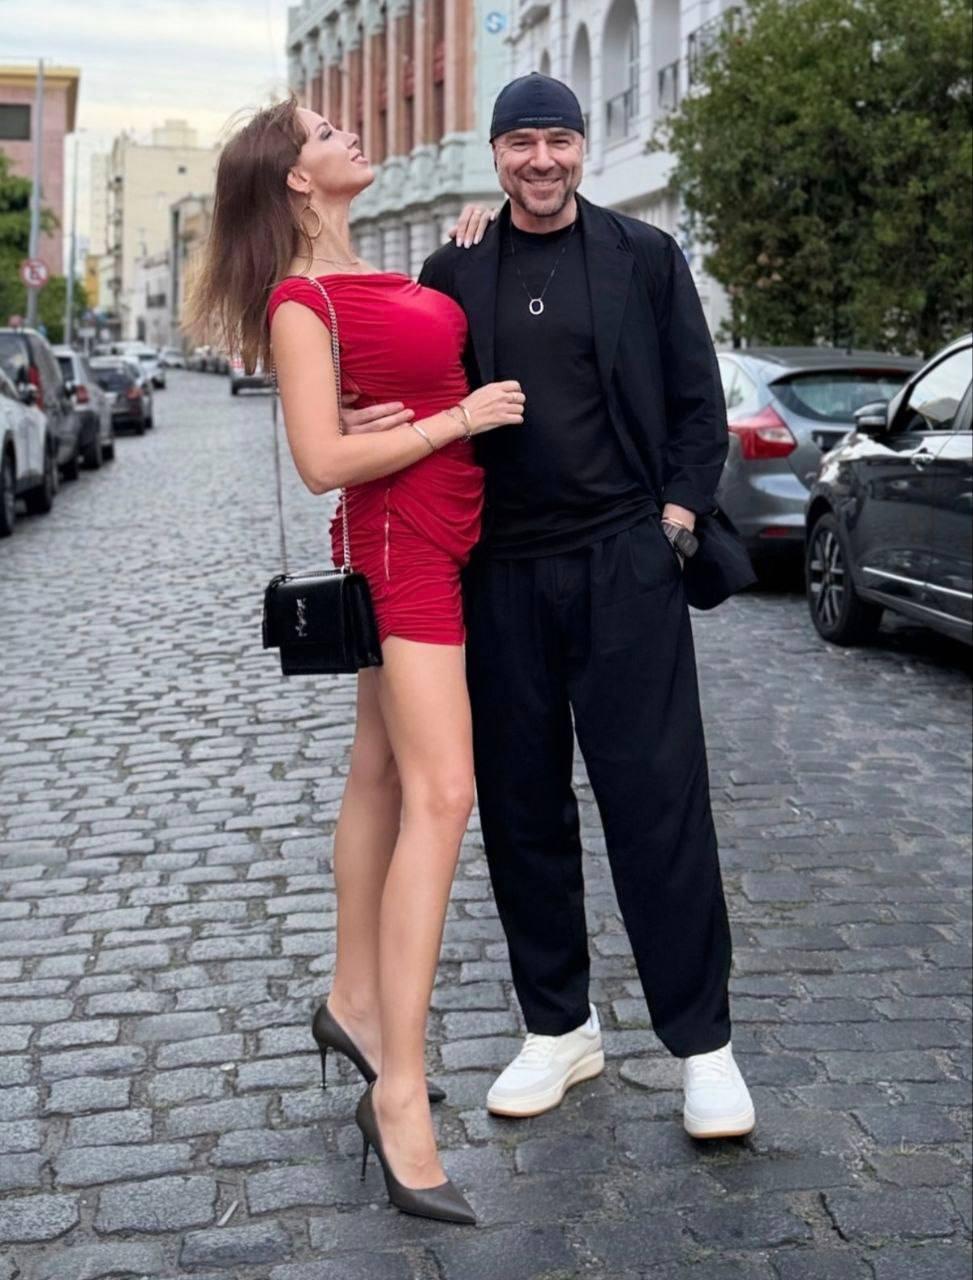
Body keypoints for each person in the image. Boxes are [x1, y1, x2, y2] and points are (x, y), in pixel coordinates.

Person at [188, 97, 524, 1225]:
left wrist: (472, 243)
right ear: (296, 177)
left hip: (443, 527)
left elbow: (404, 374)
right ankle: (400, 1091)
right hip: (401, 541)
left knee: (379, 776)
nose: (348, 135)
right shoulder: (301, 300)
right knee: (444, 791)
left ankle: (351, 999)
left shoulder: (373, 272)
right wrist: (456, 420)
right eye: (326, 131)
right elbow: (323, 462)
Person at [416, 73, 756, 1139]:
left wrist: (672, 525)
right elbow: (418, 398)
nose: (541, 160)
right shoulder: (454, 267)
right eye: (520, 142)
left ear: (581, 147)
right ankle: (557, 1027)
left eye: (557, 139)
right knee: (521, 810)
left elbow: (699, 409)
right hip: (499, 574)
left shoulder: (643, 257)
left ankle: (704, 1047)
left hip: (623, 566)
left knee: (658, 806)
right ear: (495, 154)